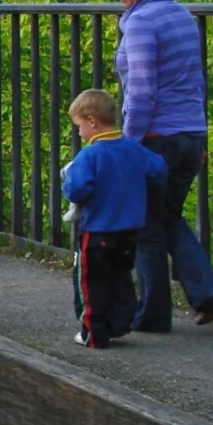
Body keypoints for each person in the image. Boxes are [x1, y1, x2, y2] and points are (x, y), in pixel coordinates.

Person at [102, 0, 213, 330]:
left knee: (146, 226)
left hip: (156, 136)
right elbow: (194, 80)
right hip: (189, 134)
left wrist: (129, 145)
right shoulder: (179, 14)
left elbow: (141, 90)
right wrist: (198, 138)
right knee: (167, 215)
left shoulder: (140, 22)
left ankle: (153, 315)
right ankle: (206, 293)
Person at [61, 89, 168, 348]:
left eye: (79, 126)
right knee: (120, 278)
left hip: (97, 230)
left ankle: (93, 333)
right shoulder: (133, 149)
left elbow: (77, 189)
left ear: (92, 121)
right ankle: (118, 323)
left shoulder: (90, 155)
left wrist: (69, 183)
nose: (78, 132)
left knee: (90, 283)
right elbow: (159, 168)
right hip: (129, 232)